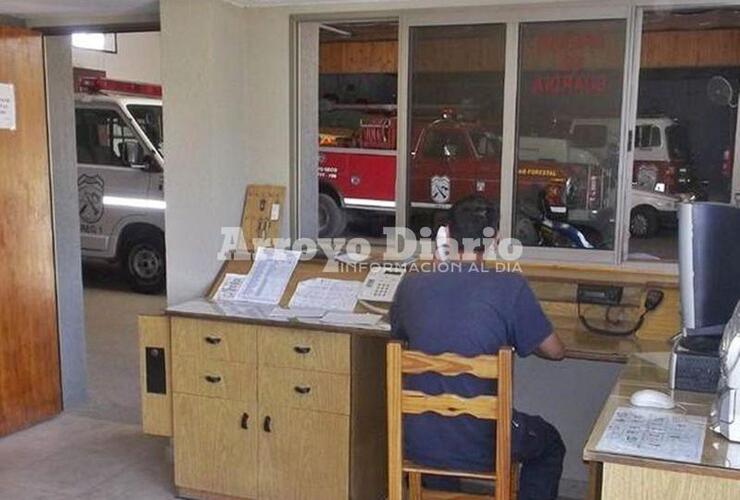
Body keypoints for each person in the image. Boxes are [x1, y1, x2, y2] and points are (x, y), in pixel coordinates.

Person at [389, 195, 566, 500]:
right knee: (550, 444)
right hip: (485, 441)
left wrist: (436, 270)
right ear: (495, 238)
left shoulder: (411, 284)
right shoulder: (509, 287)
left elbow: (399, 335)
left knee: (441, 437)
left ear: (446, 233)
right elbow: (555, 351)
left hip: (417, 439)